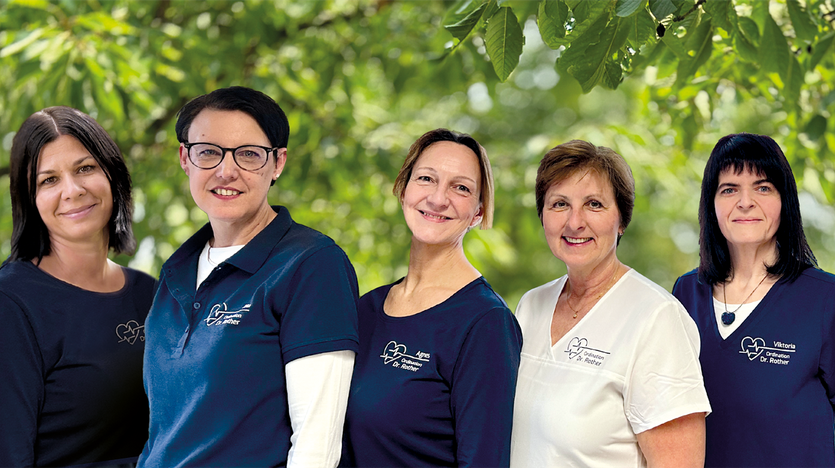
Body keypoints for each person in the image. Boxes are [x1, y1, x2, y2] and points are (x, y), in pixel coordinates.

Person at [138, 86, 360, 468]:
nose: (227, 171)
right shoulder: (176, 271)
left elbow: (316, 445)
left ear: (277, 163)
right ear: (185, 158)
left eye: (249, 155)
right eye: (208, 152)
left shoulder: (311, 264)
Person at [672, 133, 835, 468]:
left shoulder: (828, 298)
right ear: (711, 203)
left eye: (762, 188)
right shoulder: (686, 293)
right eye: (729, 189)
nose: (745, 202)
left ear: (784, 201)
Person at [0, 106, 154, 467]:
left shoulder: (151, 295)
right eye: (48, 180)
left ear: (112, 174)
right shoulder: (6, 307)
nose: (72, 190)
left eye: (85, 168)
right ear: (30, 200)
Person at [510, 140, 711, 467]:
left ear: (622, 220)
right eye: (559, 204)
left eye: (594, 204)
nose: (575, 222)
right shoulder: (531, 306)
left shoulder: (656, 318)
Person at [340, 129, 522, 467]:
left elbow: (485, 460)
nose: (438, 199)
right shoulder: (365, 309)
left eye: (461, 187)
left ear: (479, 212)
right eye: (426, 179)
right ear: (403, 189)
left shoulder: (485, 323)